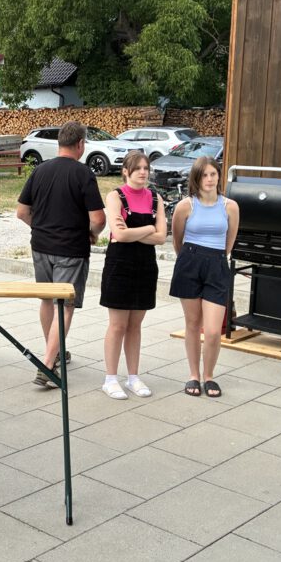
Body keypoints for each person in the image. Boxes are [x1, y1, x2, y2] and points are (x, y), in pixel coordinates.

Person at [16, 121, 106, 388]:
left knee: (47, 301)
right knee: (65, 306)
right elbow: (98, 219)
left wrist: (41, 228)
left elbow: (21, 212)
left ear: (59, 143)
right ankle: (47, 365)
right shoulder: (83, 173)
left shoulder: (40, 170)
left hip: (41, 247)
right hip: (71, 250)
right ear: (80, 144)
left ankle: (53, 352)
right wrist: (92, 233)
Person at [169, 156, 239, 398]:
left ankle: (209, 376)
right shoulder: (185, 206)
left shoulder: (230, 206)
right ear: (196, 178)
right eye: (204, 175)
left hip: (217, 264)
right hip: (189, 263)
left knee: (212, 331)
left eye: (213, 174)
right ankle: (193, 374)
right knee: (192, 324)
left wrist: (214, 259)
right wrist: (191, 259)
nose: (209, 179)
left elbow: (229, 242)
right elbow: (177, 240)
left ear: (219, 176)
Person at [100, 151, 166, 400]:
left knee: (135, 325)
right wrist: (149, 227)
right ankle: (110, 378)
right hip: (120, 265)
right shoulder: (115, 196)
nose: (142, 172)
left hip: (145, 266)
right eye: (137, 168)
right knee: (118, 325)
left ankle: (133, 377)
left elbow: (161, 237)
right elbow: (119, 234)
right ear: (125, 171)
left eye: (146, 168)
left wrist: (133, 232)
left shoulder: (156, 199)